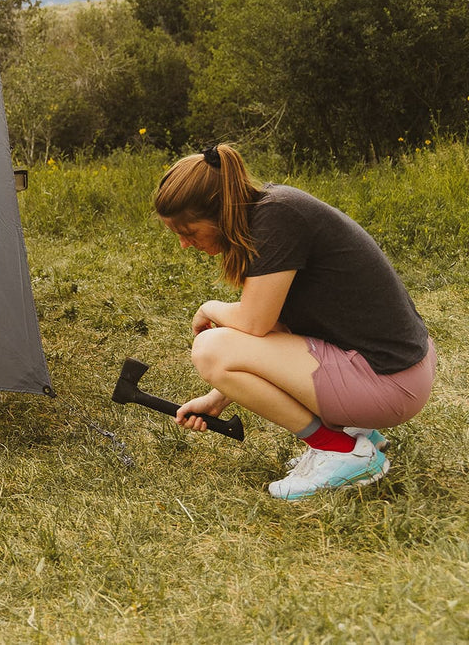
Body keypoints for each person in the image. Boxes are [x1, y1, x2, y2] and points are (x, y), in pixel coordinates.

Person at [153, 143, 436, 500]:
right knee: (227, 343)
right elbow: (276, 335)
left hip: (390, 382)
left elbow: (255, 323)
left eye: (189, 232)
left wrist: (210, 308)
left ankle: (340, 450)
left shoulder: (277, 220)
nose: (183, 244)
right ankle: (357, 433)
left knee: (211, 348)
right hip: (399, 370)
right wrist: (216, 400)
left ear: (220, 212)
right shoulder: (274, 210)